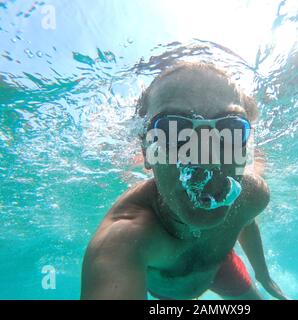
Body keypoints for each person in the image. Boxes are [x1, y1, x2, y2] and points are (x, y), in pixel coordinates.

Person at [80, 61, 287, 300]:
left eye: (231, 128)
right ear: (147, 151)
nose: (208, 161)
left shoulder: (253, 195)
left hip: (222, 268)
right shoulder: (125, 240)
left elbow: (246, 221)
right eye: (173, 130)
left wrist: (263, 276)